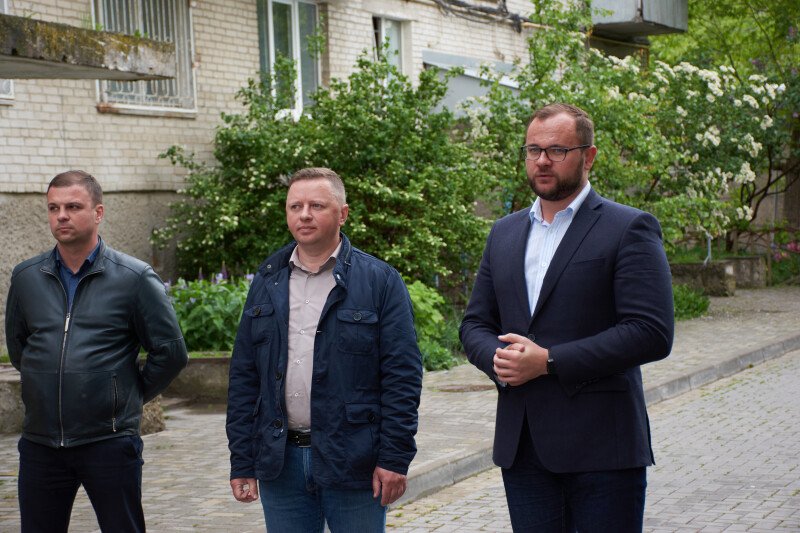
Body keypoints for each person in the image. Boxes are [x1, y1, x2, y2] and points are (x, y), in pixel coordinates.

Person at [460, 103, 675, 532]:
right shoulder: (504, 232)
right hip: (523, 448)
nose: (542, 160)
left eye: (557, 150)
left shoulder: (628, 227)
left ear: (588, 156)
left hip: (603, 449)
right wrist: (500, 362)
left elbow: (651, 332)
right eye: (533, 150)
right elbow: (475, 324)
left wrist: (549, 361)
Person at [225, 167, 423, 532]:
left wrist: (394, 458)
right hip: (280, 463)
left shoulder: (379, 281)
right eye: (295, 206)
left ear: (342, 213)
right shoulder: (268, 279)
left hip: (353, 461)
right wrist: (242, 460)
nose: (304, 215)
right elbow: (244, 377)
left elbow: (402, 377)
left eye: (316, 205)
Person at [5, 170, 188, 533]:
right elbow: (20, 349)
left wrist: (125, 395)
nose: (61, 216)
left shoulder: (134, 278)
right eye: (54, 208)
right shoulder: (26, 277)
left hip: (109, 441)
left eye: (73, 207)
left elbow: (171, 352)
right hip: (41, 443)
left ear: (98, 212)